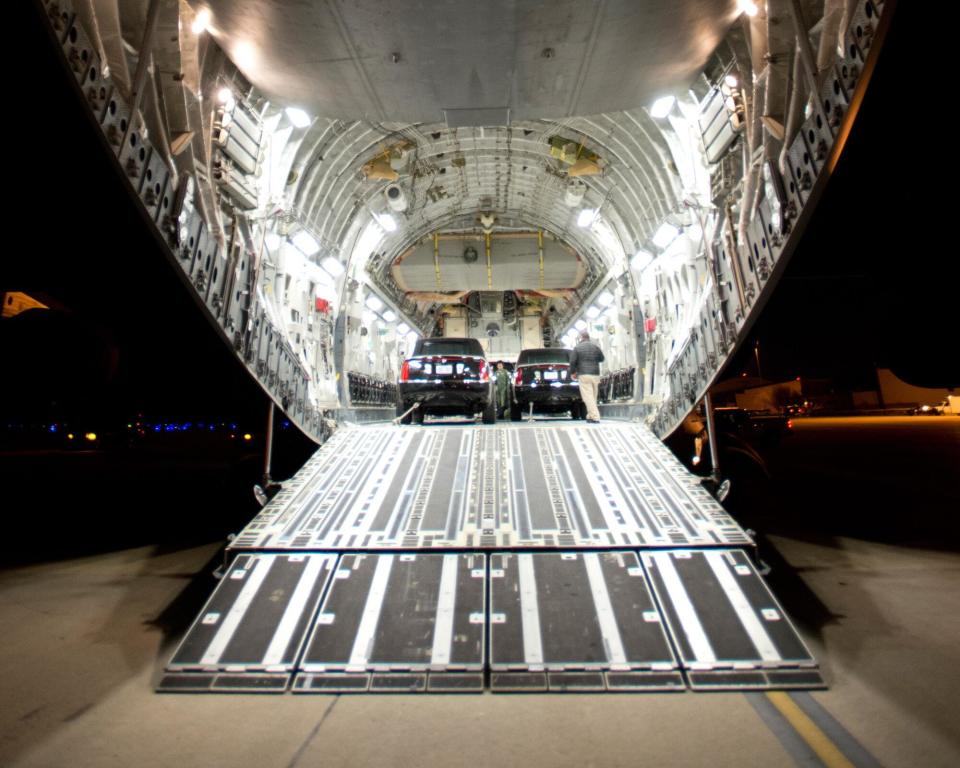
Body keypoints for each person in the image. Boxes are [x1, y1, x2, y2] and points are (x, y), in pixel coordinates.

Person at [569, 331, 604, 422]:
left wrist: (573, 373)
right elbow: (602, 358)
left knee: (587, 397)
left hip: (584, 374)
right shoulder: (595, 347)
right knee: (593, 396)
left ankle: (595, 417)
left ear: (580, 338)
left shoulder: (577, 348)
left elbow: (572, 362)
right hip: (595, 374)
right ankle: (590, 416)